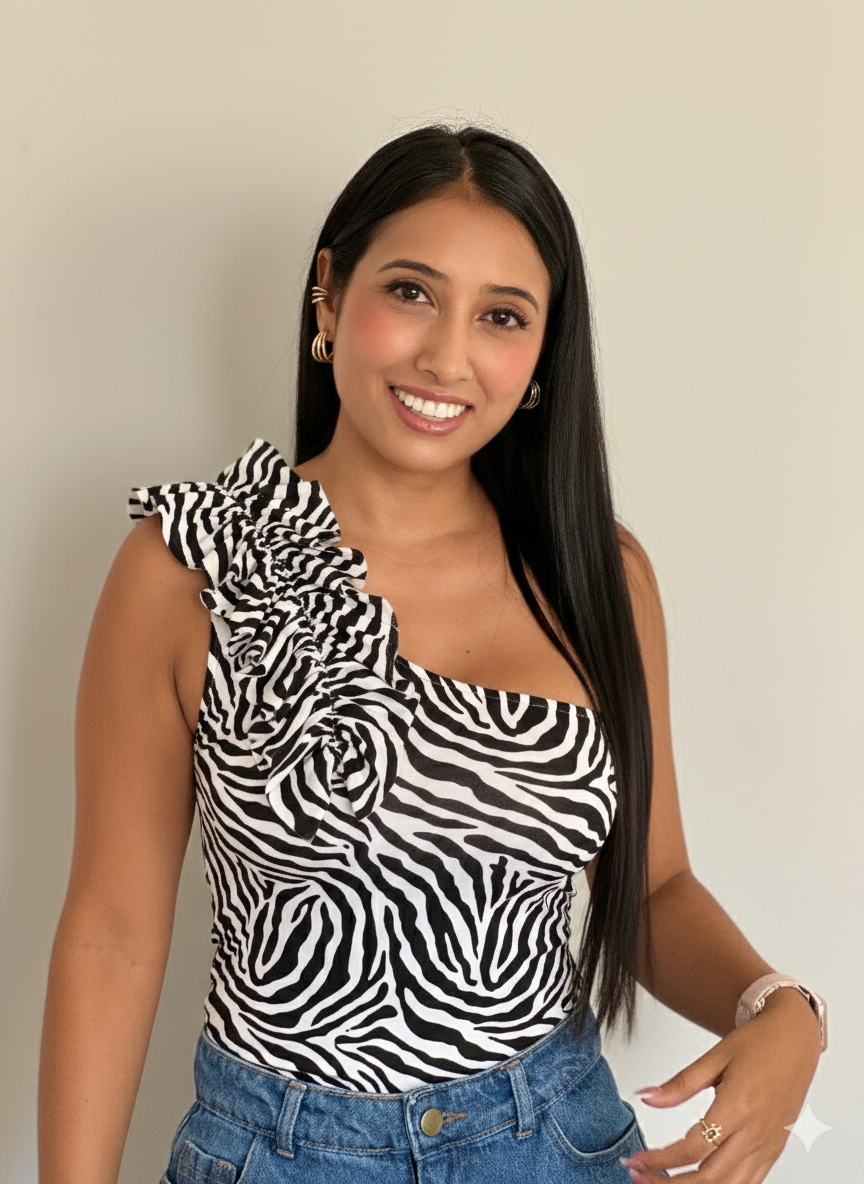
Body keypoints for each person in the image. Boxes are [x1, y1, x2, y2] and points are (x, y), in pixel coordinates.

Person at [38, 125, 826, 1184]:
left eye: (501, 315)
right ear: (329, 295)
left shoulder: (598, 576)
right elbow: (113, 936)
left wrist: (779, 1006)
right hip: (283, 1152)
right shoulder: (189, 567)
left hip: (556, 1141)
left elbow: (653, 887)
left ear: (541, 353)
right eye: (411, 292)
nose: (447, 357)